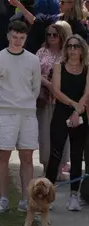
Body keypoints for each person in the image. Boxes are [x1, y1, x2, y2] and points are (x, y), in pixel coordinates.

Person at [0, 20, 39, 210]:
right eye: (14, 37)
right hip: (6, 113)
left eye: (21, 38)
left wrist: (25, 105)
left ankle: (26, 199)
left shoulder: (33, 60)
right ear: (8, 36)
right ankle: (3, 199)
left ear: (26, 38)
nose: (17, 41)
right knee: (3, 155)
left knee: (27, 156)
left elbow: (36, 89)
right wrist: (1, 107)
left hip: (28, 114)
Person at [45, 35, 89, 211]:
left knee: (77, 155)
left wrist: (78, 111)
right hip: (62, 112)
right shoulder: (59, 67)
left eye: (76, 46)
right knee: (55, 154)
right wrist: (73, 105)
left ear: (82, 49)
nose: (72, 50)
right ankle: (47, 196)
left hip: (80, 114)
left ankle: (74, 196)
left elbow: (87, 93)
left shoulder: (87, 69)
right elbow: (56, 90)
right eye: (69, 46)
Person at [37, 21, 70, 181]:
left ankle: (58, 169)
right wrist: (48, 84)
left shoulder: (67, 54)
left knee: (61, 136)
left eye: (55, 34)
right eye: (49, 34)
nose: (51, 37)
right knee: (44, 136)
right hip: (45, 101)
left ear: (61, 36)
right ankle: (46, 168)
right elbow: (33, 73)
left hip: (62, 102)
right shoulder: (41, 52)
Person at [10, 0, 87, 54]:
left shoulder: (79, 27)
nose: (59, 4)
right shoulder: (55, 18)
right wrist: (18, 4)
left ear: (71, 3)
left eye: (63, 2)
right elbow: (34, 20)